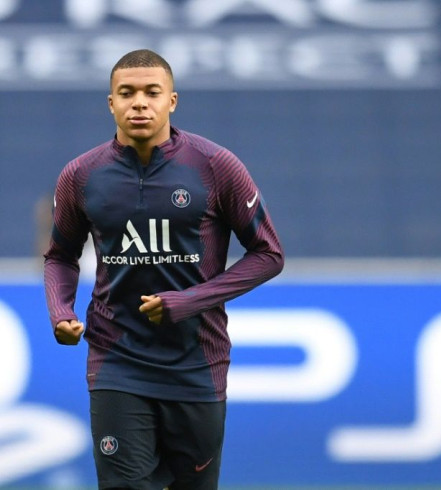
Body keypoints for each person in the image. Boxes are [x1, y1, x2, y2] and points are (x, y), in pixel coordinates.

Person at [43, 49, 284, 489]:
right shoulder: (81, 175)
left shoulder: (215, 166)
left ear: (172, 101)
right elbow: (60, 256)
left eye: (152, 93)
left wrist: (188, 302)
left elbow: (268, 254)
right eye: (127, 93)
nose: (140, 103)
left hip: (196, 364)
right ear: (111, 103)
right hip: (116, 360)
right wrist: (61, 311)